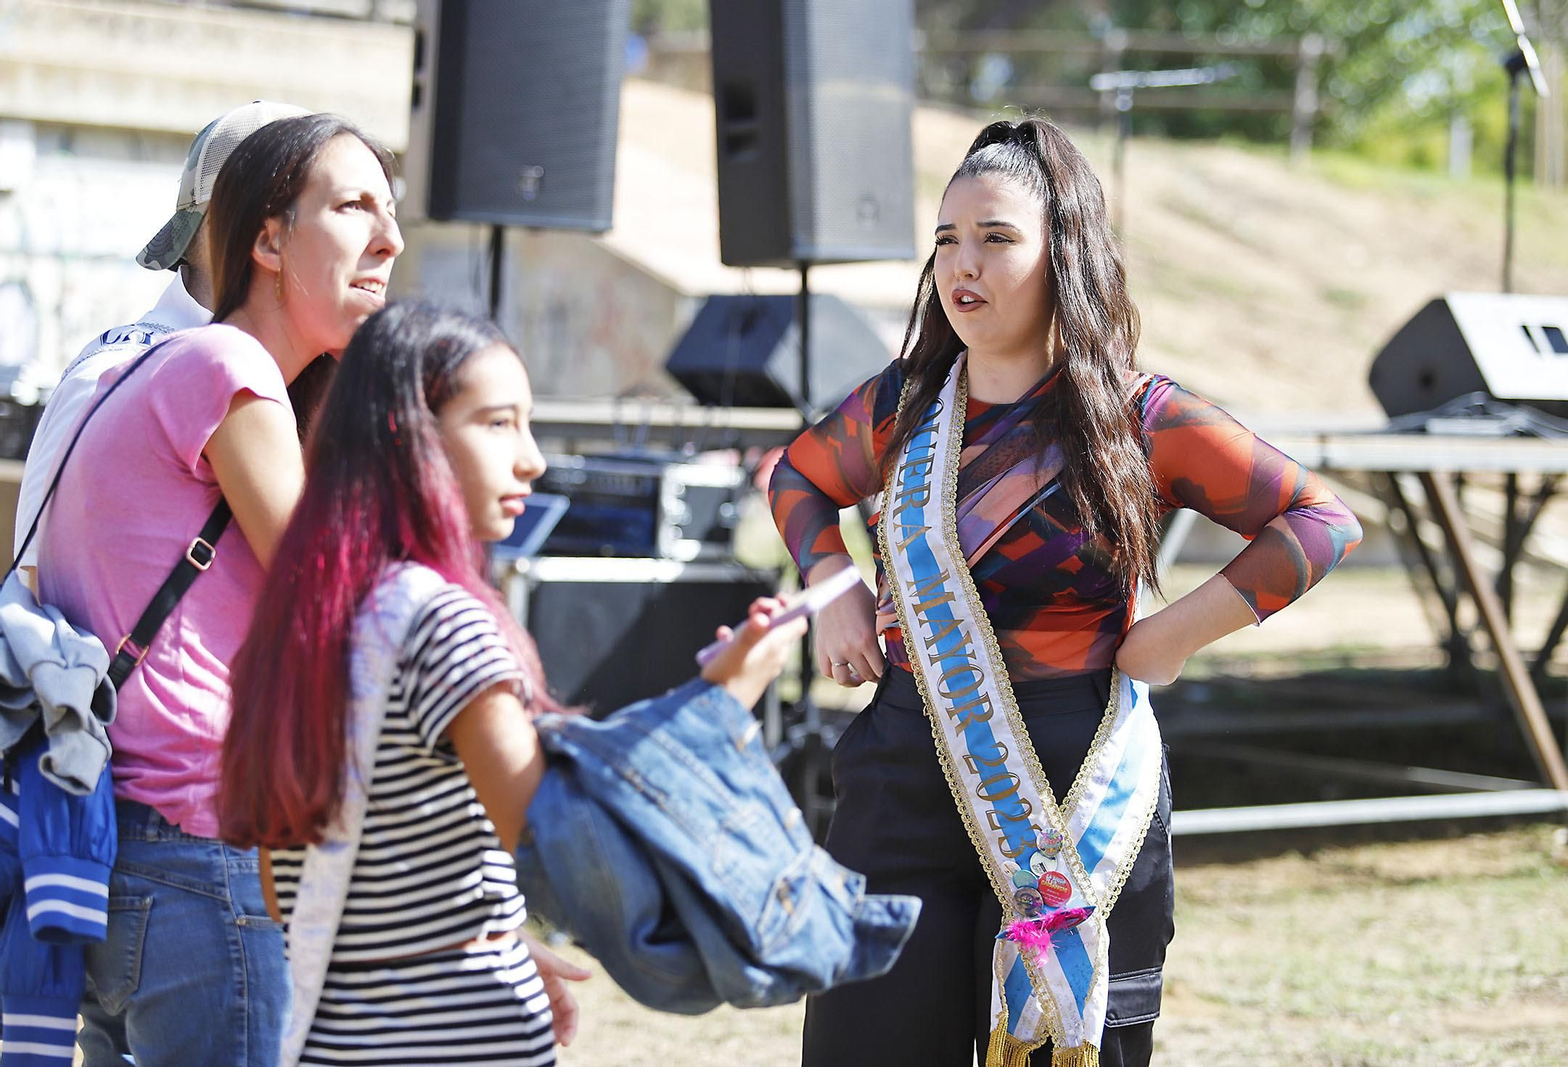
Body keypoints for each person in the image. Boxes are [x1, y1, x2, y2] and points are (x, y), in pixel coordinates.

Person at [768, 117, 1364, 1067]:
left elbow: (1320, 522)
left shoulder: (1140, 415)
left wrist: (1170, 636)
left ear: (1064, 254)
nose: (965, 263)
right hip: (900, 773)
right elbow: (795, 478)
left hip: (1075, 785)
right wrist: (832, 579)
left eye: (998, 238)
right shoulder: (899, 408)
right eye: (948, 239)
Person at [214, 300, 806, 1066]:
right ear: (408, 440)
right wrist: (723, 699)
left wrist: (496, 937)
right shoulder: (443, 622)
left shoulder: (318, 616)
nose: (531, 458)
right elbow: (569, 847)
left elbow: (288, 883)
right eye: (497, 424)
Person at [34, 112, 402, 1065]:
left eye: (391, 211)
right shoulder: (228, 367)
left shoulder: (149, 362)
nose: (390, 239)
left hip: (117, 851)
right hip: (200, 858)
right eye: (355, 205)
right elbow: (345, 605)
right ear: (267, 239)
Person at [14, 100, 308, 583]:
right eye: (338, 210)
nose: (383, 241)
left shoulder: (307, 376)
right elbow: (40, 583)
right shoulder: (114, 374)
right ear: (257, 232)